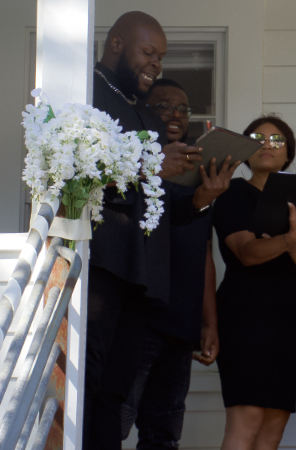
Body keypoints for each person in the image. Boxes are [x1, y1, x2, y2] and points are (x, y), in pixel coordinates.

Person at [87, 12, 228, 450]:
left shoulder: (144, 112)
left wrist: (203, 196)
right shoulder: (85, 92)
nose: (155, 64)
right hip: (101, 263)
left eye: (161, 57)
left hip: (143, 275)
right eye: (148, 52)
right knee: (88, 385)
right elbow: (75, 169)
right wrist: (149, 163)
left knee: (114, 390)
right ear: (116, 44)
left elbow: (163, 204)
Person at [118, 79, 238, 449]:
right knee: (114, 422)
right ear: (145, 112)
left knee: (164, 435)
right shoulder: (132, 166)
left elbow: (202, 252)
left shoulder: (200, 174)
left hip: (181, 322)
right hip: (139, 316)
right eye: (164, 106)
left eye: (183, 109)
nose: (175, 114)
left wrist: (209, 322)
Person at [211, 115, 296, 450]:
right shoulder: (233, 193)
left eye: (277, 140)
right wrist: (293, 236)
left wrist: (289, 239)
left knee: (272, 432)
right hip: (244, 319)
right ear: (246, 151)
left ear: (289, 153)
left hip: (286, 324)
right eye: (257, 138)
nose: (267, 144)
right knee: (246, 421)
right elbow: (248, 253)